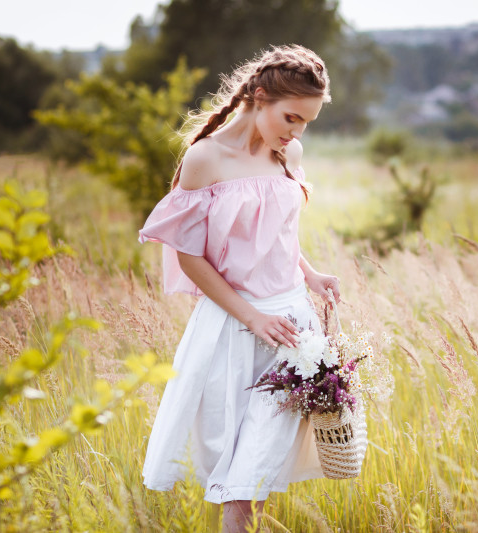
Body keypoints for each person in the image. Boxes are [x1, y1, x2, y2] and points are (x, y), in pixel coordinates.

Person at [137, 45, 340, 531]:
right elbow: (190, 257)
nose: (295, 132)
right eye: (290, 117)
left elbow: (276, 235)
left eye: (306, 123)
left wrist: (310, 275)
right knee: (239, 475)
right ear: (259, 96)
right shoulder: (205, 159)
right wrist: (253, 317)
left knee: (258, 466)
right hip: (234, 327)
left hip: (293, 329)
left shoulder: (287, 152)